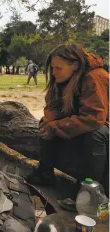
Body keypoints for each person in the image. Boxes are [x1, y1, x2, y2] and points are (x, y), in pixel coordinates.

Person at [26, 44, 109, 211]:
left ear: (75, 65)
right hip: (83, 122)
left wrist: (56, 127)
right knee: (46, 123)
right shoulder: (63, 78)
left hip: (102, 126)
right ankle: (45, 172)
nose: (54, 72)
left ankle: (90, 195)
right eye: (52, 68)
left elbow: (94, 118)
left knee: (95, 134)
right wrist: (50, 123)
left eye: (59, 68)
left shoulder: (95, 77)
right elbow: (52, 106)